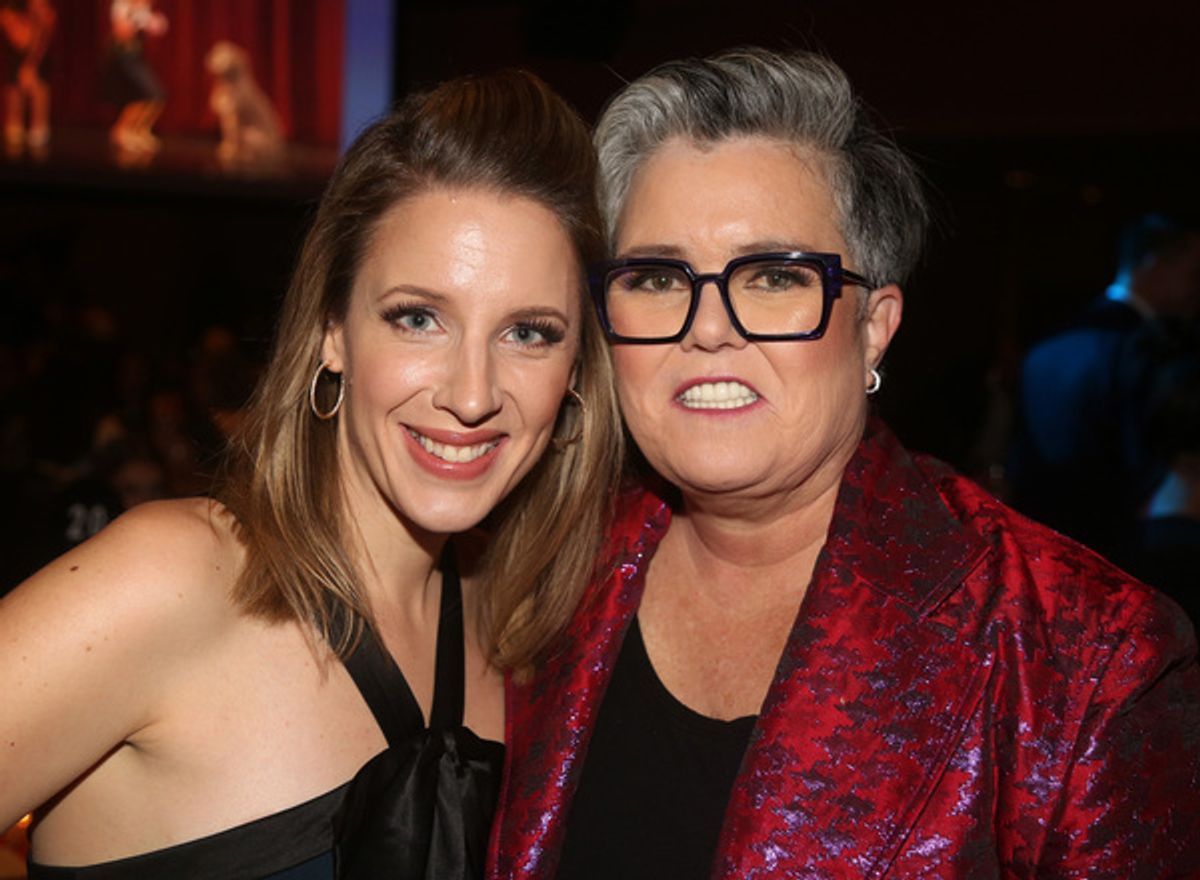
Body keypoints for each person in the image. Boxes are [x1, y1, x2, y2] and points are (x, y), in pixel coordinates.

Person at [488, 49, 1200, 878]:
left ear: (874, 326)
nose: (708, 328)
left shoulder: (1085, 658)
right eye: (655, 277)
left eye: (774, 276)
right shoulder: (540, 572)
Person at [1, 69, 620, 879]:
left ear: (577, 367)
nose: (472, 394)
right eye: (418, 318)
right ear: (332, 331)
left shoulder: (517, 635)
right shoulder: (176, 582)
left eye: (529, 333)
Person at [1009, 213, 1200, 561]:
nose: (1196, 289)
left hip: (1037, 545)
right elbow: (1143, 463)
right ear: (1154, 262)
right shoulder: (1144, 349)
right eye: (1193, 274)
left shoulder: (1049, 342)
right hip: (1119, 553)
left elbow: (1021, 456)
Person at [103, 0, 167, 153]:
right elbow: (121, 31)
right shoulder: (123, 5)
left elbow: (159, 28)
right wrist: (138, 19)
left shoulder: (142, 9)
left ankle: (139, 130)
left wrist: (148, 21)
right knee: (145, 95)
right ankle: (121, 131)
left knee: (157, 96)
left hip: (135, 55)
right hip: (123, 55)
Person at [0, 0, 56, 152]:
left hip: (37, 60)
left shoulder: (45, 18)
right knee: (14, 89)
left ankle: (39, 125)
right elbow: (19, 39)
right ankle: (14, 123)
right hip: (17, 58)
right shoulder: (11, 14)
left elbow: (40, 45)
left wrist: (31, 65)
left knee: (39, 89)